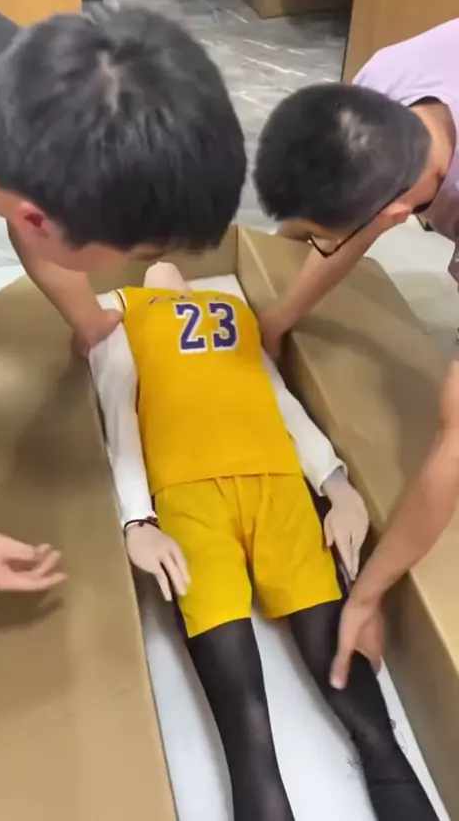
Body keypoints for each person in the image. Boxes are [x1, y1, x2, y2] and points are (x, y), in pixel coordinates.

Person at [88, 260, 437, 821]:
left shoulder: (236, 309)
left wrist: (336, 483)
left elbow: (278, 396)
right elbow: (117, 408)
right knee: (247, 735)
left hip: (281, 490)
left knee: (369, 718)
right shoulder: (120, 313)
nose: (166, 262)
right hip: (190, 501)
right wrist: (138, 519)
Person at [0, 2, 245, 591]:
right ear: (40, 220)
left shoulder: (52, 89)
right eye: (142, 255)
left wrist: (91, 320)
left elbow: (31, 217)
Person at [254, 19, 459, 688]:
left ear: (397, 217)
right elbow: (340, 229)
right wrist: (275, 321)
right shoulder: (381, 85)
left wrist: (367, 594)